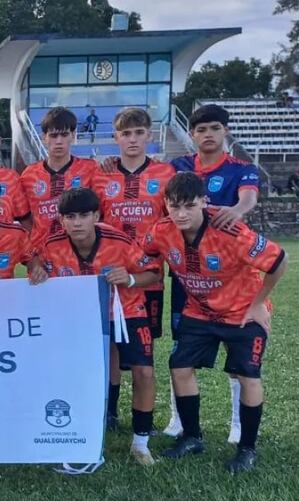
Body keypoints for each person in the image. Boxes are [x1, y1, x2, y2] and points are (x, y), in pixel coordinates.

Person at [141, 172, 287, 473]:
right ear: (166, 204)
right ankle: (192, 437)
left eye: (189, 206)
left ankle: (247, 449)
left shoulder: (230, 230)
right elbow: (145, 254)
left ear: (204, 202)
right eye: (174, 206)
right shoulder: (161, 231)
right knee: (180, 366)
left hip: (242, 312)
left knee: (248, 375)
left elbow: (279, 260)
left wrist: (258, 304)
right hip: (200, 312)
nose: (181, 214)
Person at [40, 188, 162, 465]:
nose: (77, 223)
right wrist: (38, 272)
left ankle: (140, 443)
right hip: (82, 317)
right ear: (61, 220)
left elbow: (154, 272)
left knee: (144, 372)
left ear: (96, 216)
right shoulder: (52, 246)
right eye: (70, 217)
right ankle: (83, 429)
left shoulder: (118, 241)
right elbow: (41, 273)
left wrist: (130, 279)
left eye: (84, 215)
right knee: (77, 374)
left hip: (126, 312)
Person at [165, 104, 260, 442]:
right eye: (201, 129)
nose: (208, 134)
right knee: (181, 350)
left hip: (231, 277)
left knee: (239, 360)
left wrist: (235, 211)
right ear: (192, 134)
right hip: (189, 277)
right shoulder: (177, 167)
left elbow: (248, 200)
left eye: (215, 128)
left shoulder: (241, 169)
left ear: (225, 131)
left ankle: (238, 423)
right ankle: (179, 419)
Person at [91, 108, 176, 429]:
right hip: (109, 274)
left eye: (139, 133)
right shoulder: (102, 175)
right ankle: (110, 412)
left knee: (144, 350)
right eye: (126, 134)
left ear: (149, 135)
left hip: (148, 275)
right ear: (116, 138)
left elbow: (173, 218)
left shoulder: (165, 173)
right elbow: (94, 219)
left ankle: (144, 417)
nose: (132, 139)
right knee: (111, 346)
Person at [20, 107, 98, 249]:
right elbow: (24, 217)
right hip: (42, 252)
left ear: (73, 135)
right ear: (44, 137)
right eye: (54, 136)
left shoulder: (90, 169)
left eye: (64, 134)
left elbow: (99, 211)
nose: (59, 141)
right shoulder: (29, 174)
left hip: (80, 251)